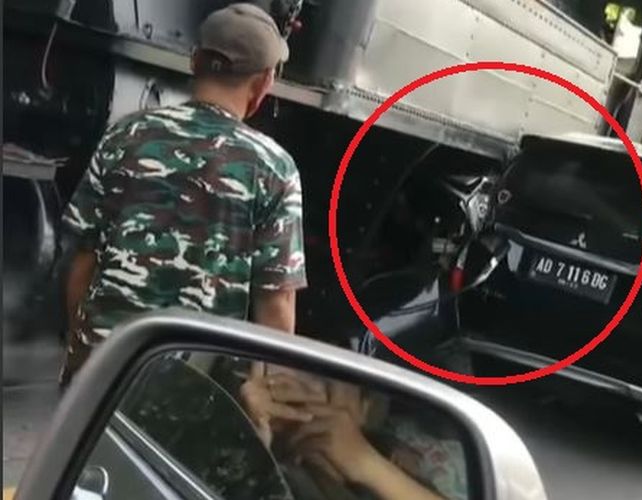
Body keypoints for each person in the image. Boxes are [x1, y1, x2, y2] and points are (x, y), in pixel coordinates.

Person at [59, 3, 306, 386]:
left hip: (102, 376)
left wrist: (82, 353)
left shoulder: (126, 134)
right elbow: (276, 303)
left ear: (194, 61)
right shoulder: (274, 168)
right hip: (189, 391)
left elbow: (82, 260)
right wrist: (272, 392)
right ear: (263, 84)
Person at [240, 365, 469, 500]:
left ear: (365, 408)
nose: (300, 389)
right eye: (276, 382)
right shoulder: (266, 464)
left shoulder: (393, 468)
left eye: (326, 385)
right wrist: (248, 434)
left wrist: (364, 462)